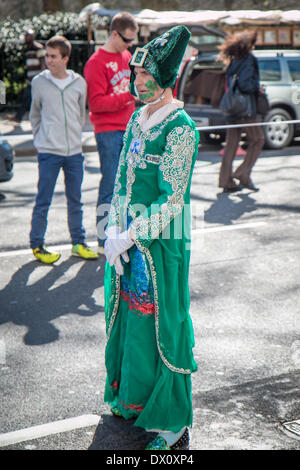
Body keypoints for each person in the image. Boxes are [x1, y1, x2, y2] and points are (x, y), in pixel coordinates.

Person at [103, 25, 199, 450]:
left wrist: (131, 235)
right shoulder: (137, 119)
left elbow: (172, 199)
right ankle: (137, 401)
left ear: (165, 78)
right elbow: (122, 177)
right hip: (127, 234)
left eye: (145, 75)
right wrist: (111, 227)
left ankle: (173, 420)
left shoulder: (181, 128)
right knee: (131, 317)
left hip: (161, 243)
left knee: (164, 322)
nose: (136, 81)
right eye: (134, 73)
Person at [29, 35, 98, 264]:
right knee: (43, 200)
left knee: (75, 199)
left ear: (65, 58)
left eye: (53, 56)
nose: (49, 60)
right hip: (48, 151)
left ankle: (78, 243)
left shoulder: (78, 82)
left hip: (74, 153)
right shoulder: (39, 82)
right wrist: (40, 139)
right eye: (47, 56)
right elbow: (35, 114)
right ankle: (37, 245)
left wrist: (76, 137)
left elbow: (80, 113)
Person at [84, 12, 138, 255]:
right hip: (108, 131)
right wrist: (128, 97)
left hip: (129, 127)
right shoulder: (96, 62)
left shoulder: (125, 55)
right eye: (127, 40)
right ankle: (103, 240)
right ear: (114, 34)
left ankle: (121, 237)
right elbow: (95, 104)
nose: (130, 45)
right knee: (110, 184)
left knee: (129, 185)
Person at [218, 31, 265, 193]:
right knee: (258, 139)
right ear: (248, 45)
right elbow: (245, 85)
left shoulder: (234, 60)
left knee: (231, 144)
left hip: (232, 108)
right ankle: (242, 173)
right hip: (245, 109)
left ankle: (226, 181)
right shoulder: (248, 60)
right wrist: (257, 88)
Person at [8, 30, 46, 124]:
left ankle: (19, 117)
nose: (26, 38)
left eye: (28, 36)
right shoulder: (28, 49)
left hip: (37, 78)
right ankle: (19, 117)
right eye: (25, 36)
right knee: (28, 98)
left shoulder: (38, 48)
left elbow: (43, 64)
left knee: (32, 98)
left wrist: (42, 77)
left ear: (32, 37)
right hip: (31, 78)